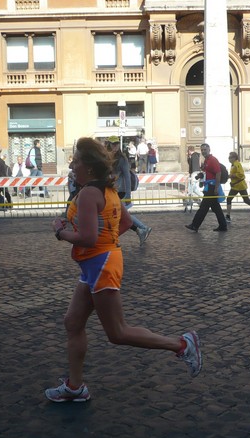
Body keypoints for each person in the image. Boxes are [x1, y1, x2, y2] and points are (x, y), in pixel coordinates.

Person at [44, 137, 202, 402]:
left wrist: (61, 232)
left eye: (77, 160)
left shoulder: (88, 194)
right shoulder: (106, 191)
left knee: (117, 332)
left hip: (101, 265)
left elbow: (87, 238)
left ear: (90, 167)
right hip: (99, 262)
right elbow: (127, 223)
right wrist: (107, 243)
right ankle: (75, 387)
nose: (72, 165)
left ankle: (182, 344)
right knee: (73, 322)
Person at [107, 136, 152, 246]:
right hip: (113, 191)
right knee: (120, 214)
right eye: (113, 144)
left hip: (120, 191)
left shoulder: (122, 159)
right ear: (109, 145)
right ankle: (141, 229)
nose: (115, 146)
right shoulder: (107, 158)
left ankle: (114, 239)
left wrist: (128, 195)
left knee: (117, 215)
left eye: (117, 144)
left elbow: (127, 177)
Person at [185, 142, 228, 232]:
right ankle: (223, 226)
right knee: (216, 208)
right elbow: (206, 172)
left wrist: (216, 188)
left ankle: (195, 225)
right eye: (202, 150)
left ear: (209, 150)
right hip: (209, 187)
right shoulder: (206, 160)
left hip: (212, 188)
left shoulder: (213, 160)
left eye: (205, 149)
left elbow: (218, 173)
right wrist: (199, 176)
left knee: (203, 208)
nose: (203, 151)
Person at [225, 151, 250, 222]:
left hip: (239, 186)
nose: (229, 159)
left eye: (230, 157)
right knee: (244, 200)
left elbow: (241, 175)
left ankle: (228, 216)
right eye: (229, 157)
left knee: (241, 200)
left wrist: (232, 176)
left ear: (234, 158)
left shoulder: (237, 164)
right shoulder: (234, 164)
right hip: (236, 186)